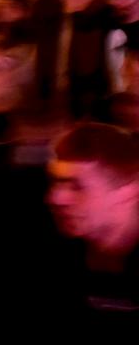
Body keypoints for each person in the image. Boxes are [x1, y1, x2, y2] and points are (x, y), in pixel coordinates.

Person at [46, 122, 139, 320]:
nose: (56, 198)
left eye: (77, 187)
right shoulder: (52, 251)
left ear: (128, 193)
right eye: (57, 182)